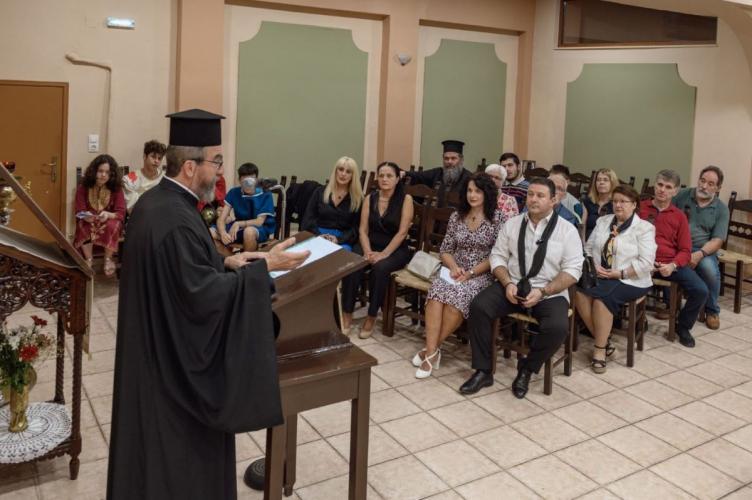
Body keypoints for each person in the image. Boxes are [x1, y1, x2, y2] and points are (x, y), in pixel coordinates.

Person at [107, 109, 309, 500]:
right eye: (216, 162)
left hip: (152, 351)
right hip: (172, 377)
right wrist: (265, 268)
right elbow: (200, 297)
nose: (220, 172)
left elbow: (182, 273)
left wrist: (227, 262)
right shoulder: (176, 219)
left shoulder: (158, 204)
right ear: (189, 167)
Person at [461, 178, 583, 398]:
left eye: (540, 196)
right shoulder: (513, 224)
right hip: (513, 284)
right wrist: (507, 282)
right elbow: (497, 256)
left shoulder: (567, 230)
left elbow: (573, 270)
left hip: (548, 291)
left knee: (557, 327)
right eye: (530, 194)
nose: (533, 199)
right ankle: (483, 370)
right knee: (479, 306)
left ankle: (527, 369)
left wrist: (544, 291)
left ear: (553, 200)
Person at [413, 173, 503, 378]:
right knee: (436, 294)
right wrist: (454, 267)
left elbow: (497, 256)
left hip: (481, 274)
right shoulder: (457, 216)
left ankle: (429, 352)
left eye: (477, 191)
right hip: (454, 270)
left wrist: (470, 273)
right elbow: (445, 250)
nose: (472, 195)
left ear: (487, 193)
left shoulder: (498, 219)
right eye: (469, 190)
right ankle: (432, 352)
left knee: (456, 300)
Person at [575, 185, 656, 373]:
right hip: (601, 275)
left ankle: (599, 350)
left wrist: (620, 273)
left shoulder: (644, 228)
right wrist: (593, 265)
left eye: (623, 202)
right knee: (579, 291)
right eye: (615, 201)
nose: (618, 205)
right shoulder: (603, 221)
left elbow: (646, 263)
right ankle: (605, 340)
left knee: (602, 298)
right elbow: (588, 248)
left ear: (634, 205)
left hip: (630, 279)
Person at [639, 169, 707, 348]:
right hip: (642, 262)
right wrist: (643, 261)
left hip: (669, 264)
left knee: (700, 290)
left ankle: (682, 327)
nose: (662, 190)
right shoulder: (640, 208)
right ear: (655, 185)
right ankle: (638, 319)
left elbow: (685, 250)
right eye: (660, 185)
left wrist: (673, 265)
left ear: (675, 191)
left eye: (668, 187)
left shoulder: (679, 216)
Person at [348, 161, 414, 339]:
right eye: (381, 175)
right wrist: (367, 251)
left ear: (397, 179)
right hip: (370, 244)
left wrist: (384, 254)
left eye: (389, 176)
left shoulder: (406, 200)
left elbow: (402, 232)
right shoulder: (370, 198)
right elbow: (363, 230)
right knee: (353, 262)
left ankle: (371, 316)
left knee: (380, 268)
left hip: (395, 248)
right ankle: (347, 313)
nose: (384, 179)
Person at [301, 156, 364, 332]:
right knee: (306, 261)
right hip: (318, 236)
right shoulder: (319, 192)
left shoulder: (358, 198)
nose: (343, 174)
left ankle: (344, 313)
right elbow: (308, 220)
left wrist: (338, 239)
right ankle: (310, 309)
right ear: (335, 171)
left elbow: (356, 228)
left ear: (353, 175)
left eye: (348, 171)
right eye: (340, 169)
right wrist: (320, 236)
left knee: (346, 263)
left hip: (342, 240)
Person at [672, 166, 729, 330]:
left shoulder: (721, 209)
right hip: (677, 245)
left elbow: (717, 240)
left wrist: (699, 254)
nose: (704, 186)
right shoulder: (682, 195)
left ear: (718, 188)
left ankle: (712, 310)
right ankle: (670, 305)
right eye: (702, 181)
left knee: (709, 269)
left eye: (710, 184)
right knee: (667, 260)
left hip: (703, 249)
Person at [73, 154, 126, 277]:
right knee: (84, 224)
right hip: (89, 219)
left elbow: (121, 213)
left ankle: (108, 259)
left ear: (112, 174)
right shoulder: (83, 187)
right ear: (94, 171)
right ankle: (88, 259)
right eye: (100, 171)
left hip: (109, 219)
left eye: (107, 172)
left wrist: (108, 214)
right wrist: (85, 216)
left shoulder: (116, 188)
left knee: (112, 225)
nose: (103, 175)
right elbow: (79, 210)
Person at [212, 162, 276, 252]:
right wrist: (223, 233)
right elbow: (221, 219)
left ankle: (247, 260)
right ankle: (231, 259)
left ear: (256, 180)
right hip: (238, 227)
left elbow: (259, 221)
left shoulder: (265, 194)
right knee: (210, 232)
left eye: (251, 180)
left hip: (258, 229)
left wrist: (238, 224)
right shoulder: (234, 192)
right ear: (239, 180)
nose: (248, 184)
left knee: (248, 232)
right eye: (245, 181)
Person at [405, 139, 472, 193]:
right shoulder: (437, 173)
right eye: (446, 158)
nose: (449, 162)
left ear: (461, 160)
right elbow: (419, 176)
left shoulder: (469, 178)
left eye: (453, 158)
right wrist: (404, 173)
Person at [123, 139, 167, 213]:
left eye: (159, 158)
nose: (156, 161)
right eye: (153, 157)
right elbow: (131, 210)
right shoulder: (129, 180)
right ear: (144, 156)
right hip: (140, 216)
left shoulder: (166, 178)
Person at [583, 168, 618, 240]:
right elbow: (583, 226)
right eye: (598, 180)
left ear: (612, 183)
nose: (601, 182)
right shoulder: (588, 201)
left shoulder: (617, 203)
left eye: (605, 180)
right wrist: (582, 243)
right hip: (587, 241)